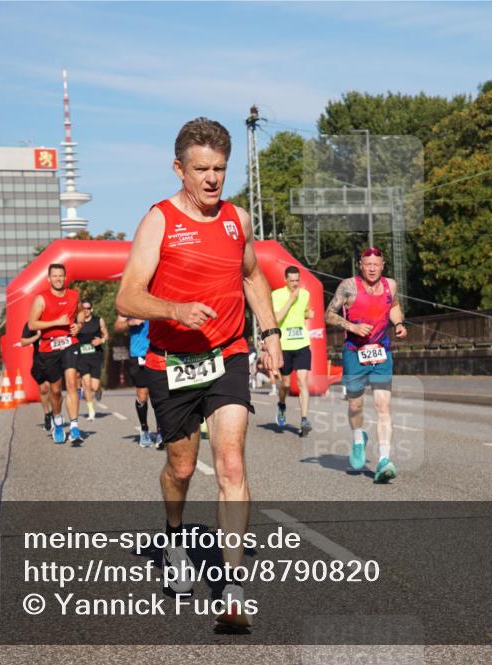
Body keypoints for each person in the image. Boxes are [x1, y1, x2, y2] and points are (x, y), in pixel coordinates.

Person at [115, 117, 283, 628]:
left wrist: (270, 335)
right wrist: (173, 310)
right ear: (179, 169)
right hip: (173, 363)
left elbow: (252, 275)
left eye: (220, 169)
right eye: (201, 169)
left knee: (231, 465)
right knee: (182, 469)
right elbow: (127, 296)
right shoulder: (159, 220)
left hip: (228, 355)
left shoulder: (238, 220)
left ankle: (231, 588)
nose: (212, 179)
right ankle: (172, 538)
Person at [324, 247, 407, 483]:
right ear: (360, 265)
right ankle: (359, 439)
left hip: (381, 352)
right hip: (354, 353)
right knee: (356, 406)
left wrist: (399, 324)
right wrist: (352, 327)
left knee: (384, 406)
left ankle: (383, 461)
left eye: (376, 264)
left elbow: (393, 306)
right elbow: (328, 314)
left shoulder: (391, 285)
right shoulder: (348, 286)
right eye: (367, 264)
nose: (372, 268)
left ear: (382, 265)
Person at [27, 263, 83, 444]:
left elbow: (81, 312)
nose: (58, 279)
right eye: (55, 276)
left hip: (69, 343)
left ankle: (74, 426)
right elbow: (32, 324)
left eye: (61, 276)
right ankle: (58, 421)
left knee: (72, 383)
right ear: (49, 278)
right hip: (48, 348)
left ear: (65, 277)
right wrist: (55, 322)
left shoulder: (73, 295)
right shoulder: (41, 298)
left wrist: (78, 325)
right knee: (56, 391)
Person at [270, 265, 315, 436]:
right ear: (285, 280)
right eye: (292, 281)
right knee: (286, 384)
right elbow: (277, 318)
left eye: (297, 280)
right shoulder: (277, 295)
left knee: (303, 382)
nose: (295, 284)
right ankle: (281, 405)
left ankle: (304, 419)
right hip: (284, 345)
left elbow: (304, 312)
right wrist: (290, 299)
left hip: (302, 343)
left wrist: (308, 314)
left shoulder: (305, 295)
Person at [114, 315, 163, 448]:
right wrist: (130, 322)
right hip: (139, 354)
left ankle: (160, 432)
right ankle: (144, 430)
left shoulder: (158, 299)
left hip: (159, 352)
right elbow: (117, 327)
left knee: (159, 394)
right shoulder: (131, 305)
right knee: (142, 395)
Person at [14, 322, 53, 431]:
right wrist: (37, 336)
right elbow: (23, 341)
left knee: (54, 389)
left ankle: (56, 413)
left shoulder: (54, 320)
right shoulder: (32, 323)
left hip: (55, 359)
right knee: (44, 389)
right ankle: (47, 414)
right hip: (39, 361)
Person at [76, 300, 109, 421]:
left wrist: (101, 341)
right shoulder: (77, 322)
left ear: (92, 309)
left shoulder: (98, 320)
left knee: (94, 387)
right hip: (82, 357)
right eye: (84, 308)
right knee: (86, 385)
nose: (86, 310)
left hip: (96, 356)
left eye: (88, 308)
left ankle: (99, 389)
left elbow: (106, 335)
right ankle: (91, 411)